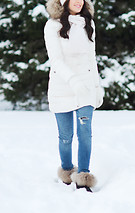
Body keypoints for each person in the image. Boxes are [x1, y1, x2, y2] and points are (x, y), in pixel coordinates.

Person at [44, 0, 104, 192]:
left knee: (85, 133)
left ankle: (84, 176)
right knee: (65, 137)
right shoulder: (52, 26)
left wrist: (97, 86)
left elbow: (91, 58)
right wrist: (73, 81)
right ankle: (67, 170)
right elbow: (56, 60)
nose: (80, 1)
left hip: (85, 87)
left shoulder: (88, 24)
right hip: (62, 87)